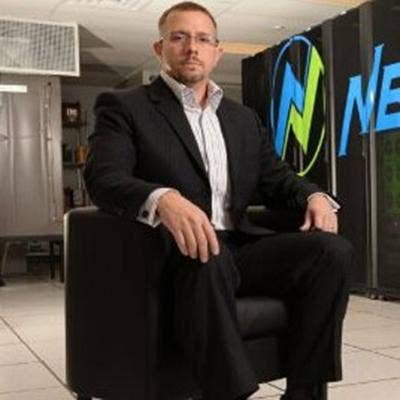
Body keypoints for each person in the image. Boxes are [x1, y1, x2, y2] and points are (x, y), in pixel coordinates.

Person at [84, 2, 354, 399]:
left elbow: (277, 179)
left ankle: (305, 393)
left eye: (202, 39)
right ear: (160, 48)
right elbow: (104, 178)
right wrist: (162, 198)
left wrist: (314, 195)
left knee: (332, 252)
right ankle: (230, 393)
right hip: (175, 252)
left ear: (217, 52)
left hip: (240, 247)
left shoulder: (243, 119)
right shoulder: (124, 106)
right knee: (205, 252)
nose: (191, 48)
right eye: (179, 37)